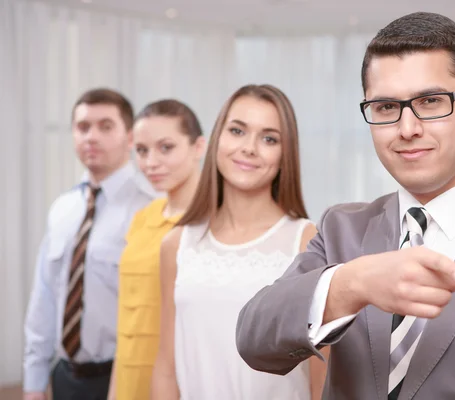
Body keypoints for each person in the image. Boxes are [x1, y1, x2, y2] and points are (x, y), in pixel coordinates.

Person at [236, 12, 455, 400]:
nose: (407, 128)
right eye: (386, 107)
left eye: (430, 101)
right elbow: (255, 339)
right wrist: (352, 283)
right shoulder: (342, 228)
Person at [151, 84, 329, 400]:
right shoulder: (175, 245)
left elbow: (322, 376)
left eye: (269, 138)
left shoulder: (308, 242)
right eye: (237, 131)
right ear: (217, 138)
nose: (249, 148)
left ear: (285, 154)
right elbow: (166, 366)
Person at [23, 88, 155, 400]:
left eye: (106, 126)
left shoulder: (151, 209)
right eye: (83, 127)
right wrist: (33, 381)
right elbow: (44, 297)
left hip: (124, 378)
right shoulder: (63, 208)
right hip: (66, 377)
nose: (91, 137)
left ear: (130, 137)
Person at [107, 100, 205, 400]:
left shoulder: (213, 222)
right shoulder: (143, 218)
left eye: (166, 148)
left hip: (179, 383)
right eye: (142, 150)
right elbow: (127, 320)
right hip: (127, 377)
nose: (150, 162)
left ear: (198, 147)